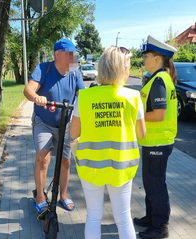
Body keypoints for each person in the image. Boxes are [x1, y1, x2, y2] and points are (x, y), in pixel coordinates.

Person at [70, 46, 146, 239]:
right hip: (122, 166)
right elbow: (142, 134)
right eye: (127, 66)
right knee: (123, 217)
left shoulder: (85, 97)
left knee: (94, 216)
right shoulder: (133, 97)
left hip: (90, 166)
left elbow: (73, 132)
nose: (129, 70)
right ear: (121, 69)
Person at [24, 39, 85, 214]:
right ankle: (40, 197)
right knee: (43, 158)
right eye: (70, 55)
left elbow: (83, 95)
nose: (74, 59)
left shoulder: (75, 73)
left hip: (65, 123)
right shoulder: (44, 69)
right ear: (58, 54)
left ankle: (63, 195)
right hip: (43, 121)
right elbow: (28, 90)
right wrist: (36, 97)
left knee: (65, 161)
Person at [133, 36, 178, 239]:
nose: (144, 59)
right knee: (150, 182)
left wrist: (136, 119)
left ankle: (160, 226)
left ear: (157, 58)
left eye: (147, 56)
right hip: (154, 141)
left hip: (158, 142)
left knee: (156, 184)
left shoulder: (159, 80)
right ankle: (151, 218)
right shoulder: (158, 78)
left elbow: (159, 114)